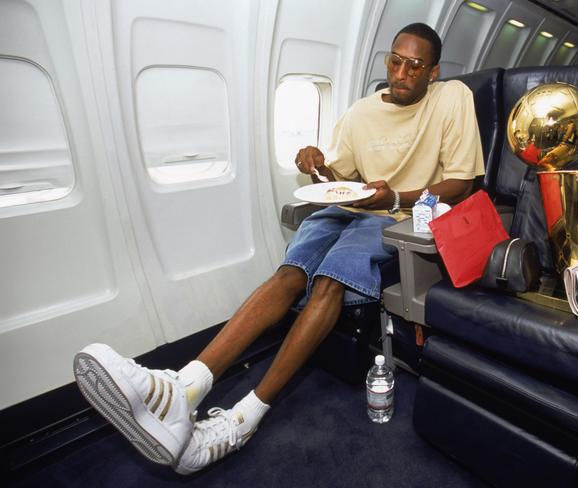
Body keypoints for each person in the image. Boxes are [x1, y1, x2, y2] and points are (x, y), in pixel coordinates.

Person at [73, 22, 484, 475]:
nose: (402, 72)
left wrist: (397, 198)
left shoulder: (452, 98)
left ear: (434, 71)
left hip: (402, 215)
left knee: (329, 280)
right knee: (289, 275)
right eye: (395, 61)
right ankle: (182, 389)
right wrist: (316, 163)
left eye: (415, 65)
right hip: (354, 209)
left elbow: (462, 182)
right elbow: (337, 183)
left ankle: (243, 418)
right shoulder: (361, 112)